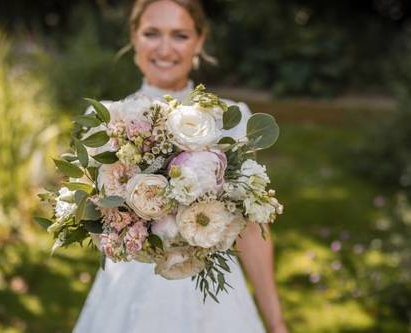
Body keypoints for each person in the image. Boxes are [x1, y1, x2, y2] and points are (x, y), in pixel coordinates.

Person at [73, 1, 288, 332]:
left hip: (212, 293)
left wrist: (276, 323)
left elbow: (252, 231)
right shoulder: (107, 121)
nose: (164, 48)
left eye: (180, 35)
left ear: (199, 42)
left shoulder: (229, 121)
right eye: (151, 33)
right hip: (130, 285)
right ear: (134, 38)